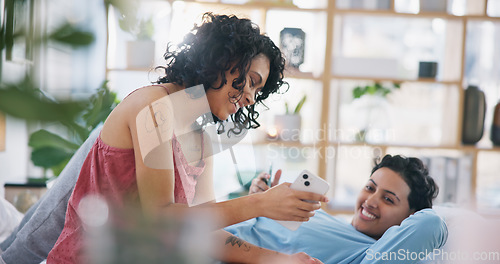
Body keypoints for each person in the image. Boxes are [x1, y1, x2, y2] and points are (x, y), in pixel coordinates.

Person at [4, 12, 328, 264]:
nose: (251, 98)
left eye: (259, 90)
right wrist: (260, 204)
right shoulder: (154, 106)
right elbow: (161, 218)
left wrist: (277, 258)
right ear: (222, 60)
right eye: (250, 82)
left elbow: (200, 230)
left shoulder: (201, 135)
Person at [229, 154, 448, 263]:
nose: (370, 201)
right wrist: (262, 201)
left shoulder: (371, 255)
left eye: (388, 199)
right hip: (221, 224)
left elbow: (430, 224)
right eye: (370, 187)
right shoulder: (323, 218)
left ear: (409, 218)